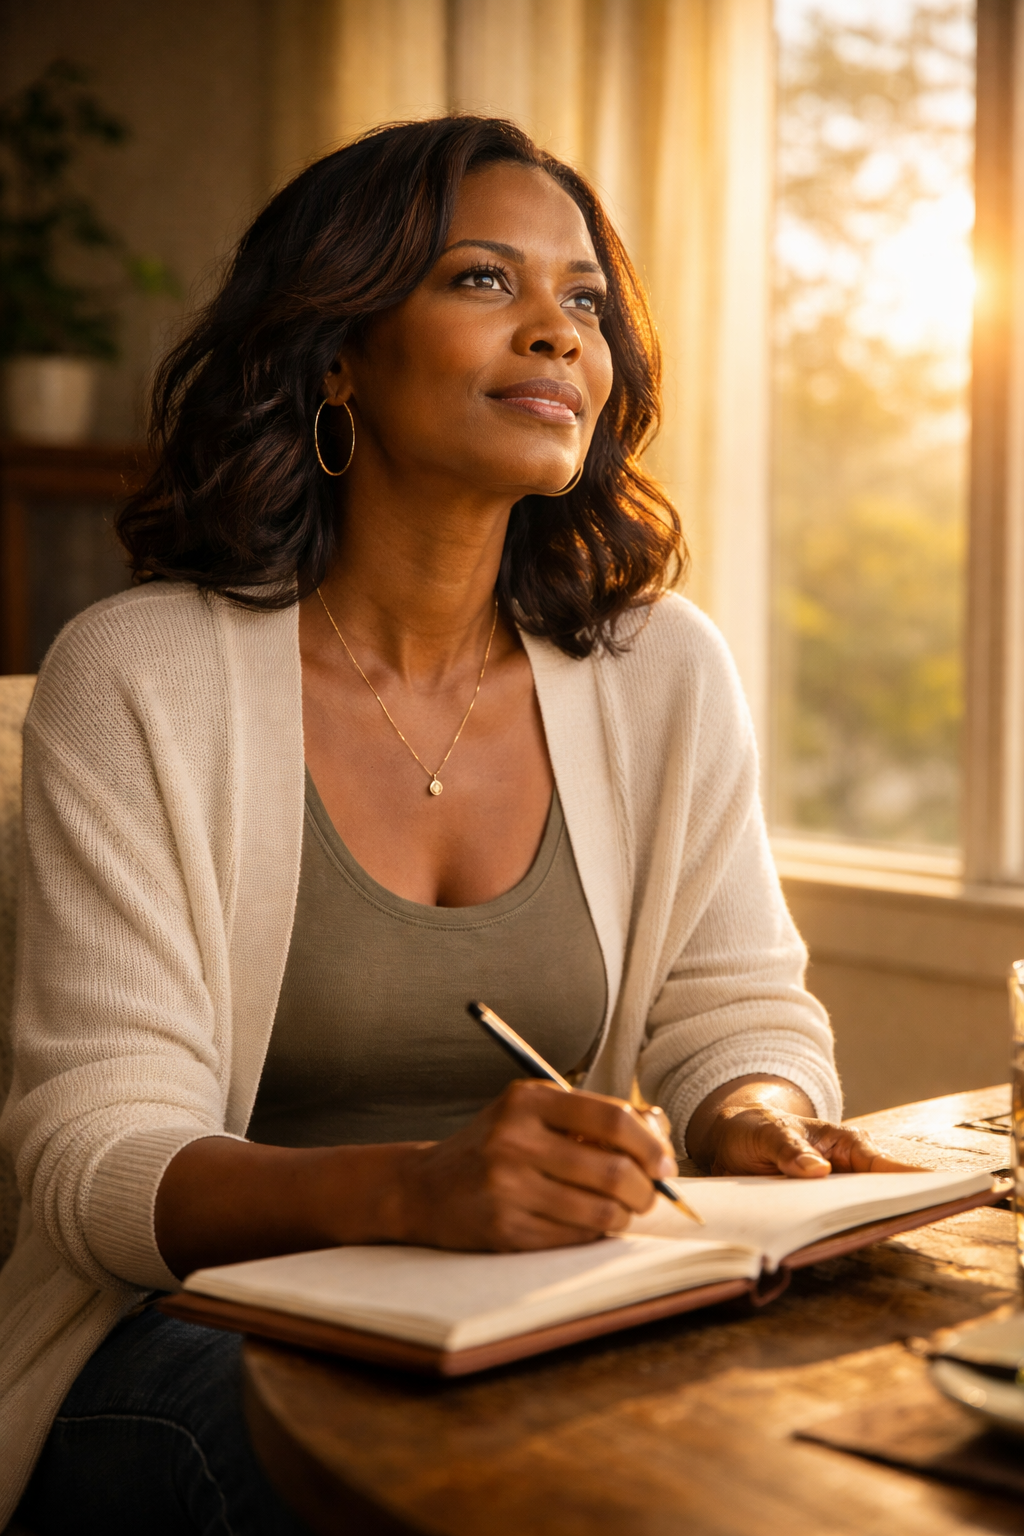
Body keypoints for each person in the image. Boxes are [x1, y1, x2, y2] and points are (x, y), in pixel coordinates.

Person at [0, 116, 898, 1535]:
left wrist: (759, 1119)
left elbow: (737, 1012)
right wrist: (422, 1190)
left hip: (534, 1319)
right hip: (182, 1343)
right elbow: (92, 1164)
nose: (558, 333)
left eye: (586, 302)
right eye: (486, 281)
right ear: (337, 349)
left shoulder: (663, 670)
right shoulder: (140, 675)